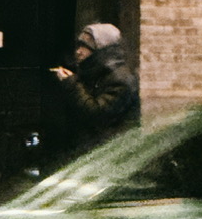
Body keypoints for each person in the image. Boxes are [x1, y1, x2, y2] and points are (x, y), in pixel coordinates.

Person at [50, 22, 139, 155]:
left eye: (86, 47)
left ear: (102, 50)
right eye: (79, 46)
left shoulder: (121, 80)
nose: (78, 52)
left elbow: (98, 114)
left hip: (109, 152)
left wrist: (72, 84)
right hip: (92, 149)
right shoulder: (94, 73)